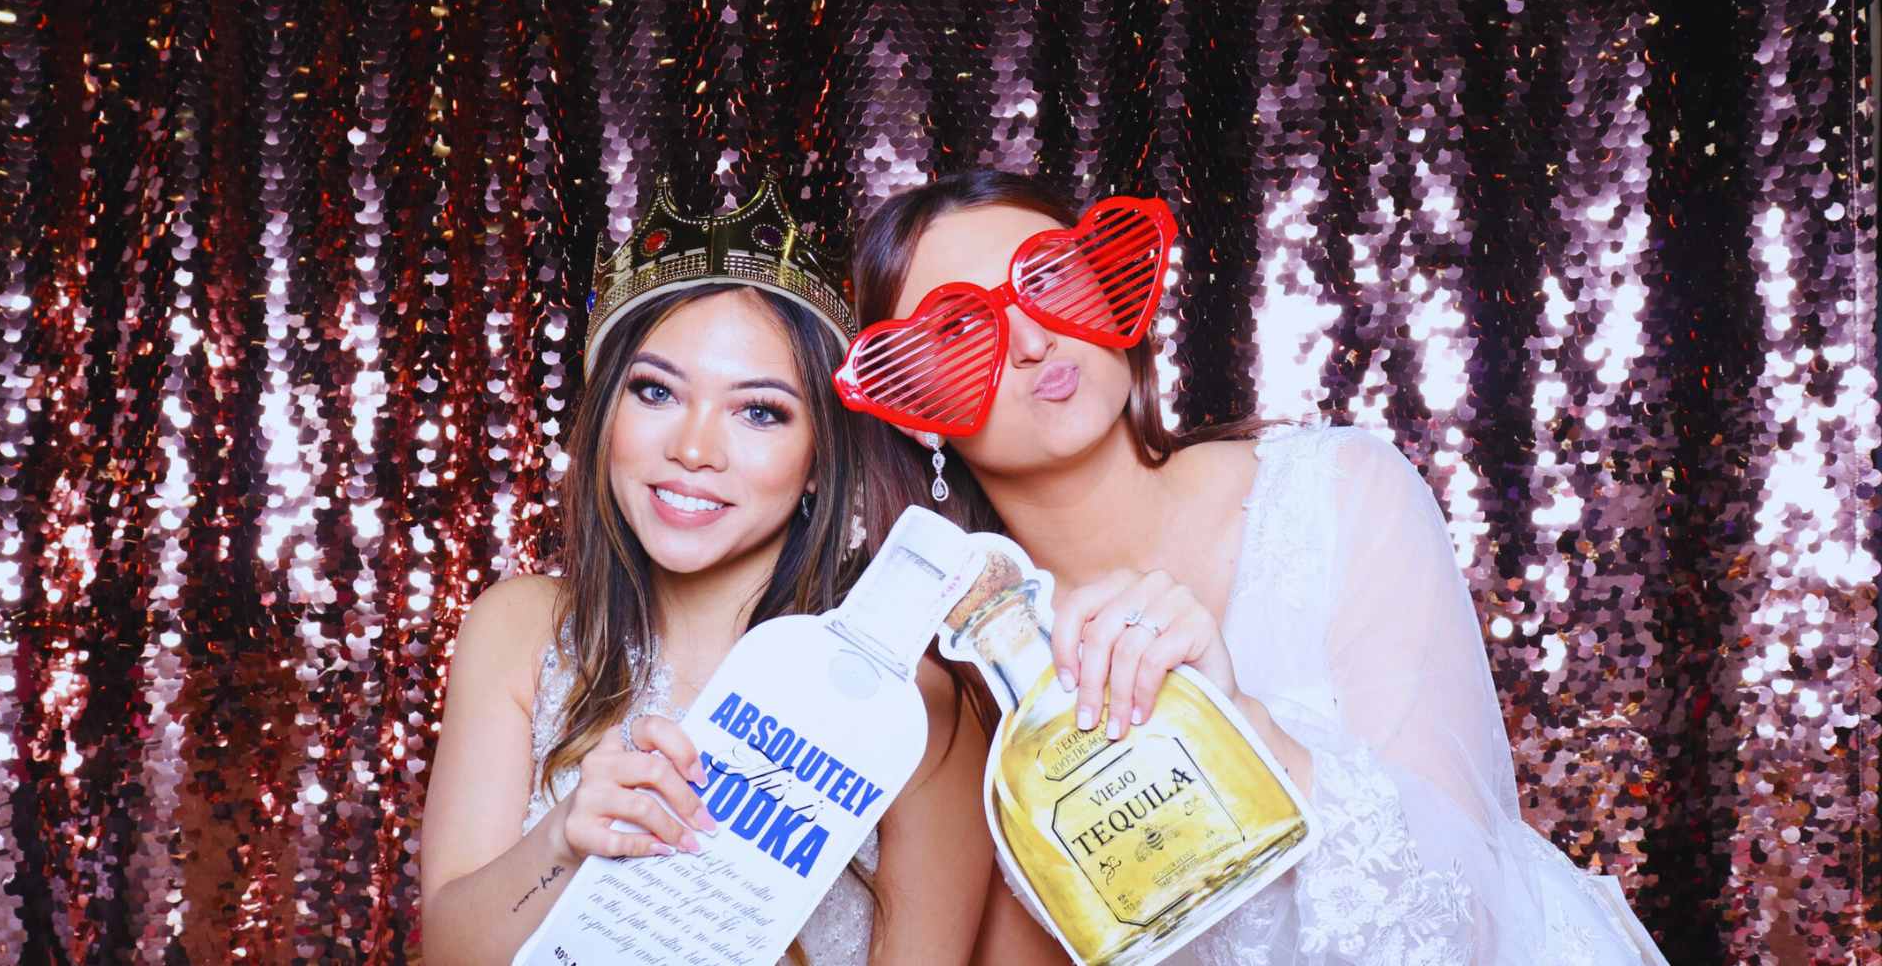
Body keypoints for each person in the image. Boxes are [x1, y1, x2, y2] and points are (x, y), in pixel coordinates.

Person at [841, 169, 1666, 964]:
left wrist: (1237, 722)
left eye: (1051, 279)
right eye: (957, 327)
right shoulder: (966, 673)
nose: (1031, 338)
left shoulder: (1339, 494)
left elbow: (1460, 926)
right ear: (913, 410)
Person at [420, 177, 992, 965]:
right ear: (606, 418)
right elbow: (449, 952)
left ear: (821, 459)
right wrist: (568, 840)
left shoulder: (910, 701)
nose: (692, 449)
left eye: (759, 411)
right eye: (656, 391)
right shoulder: (521, 628)